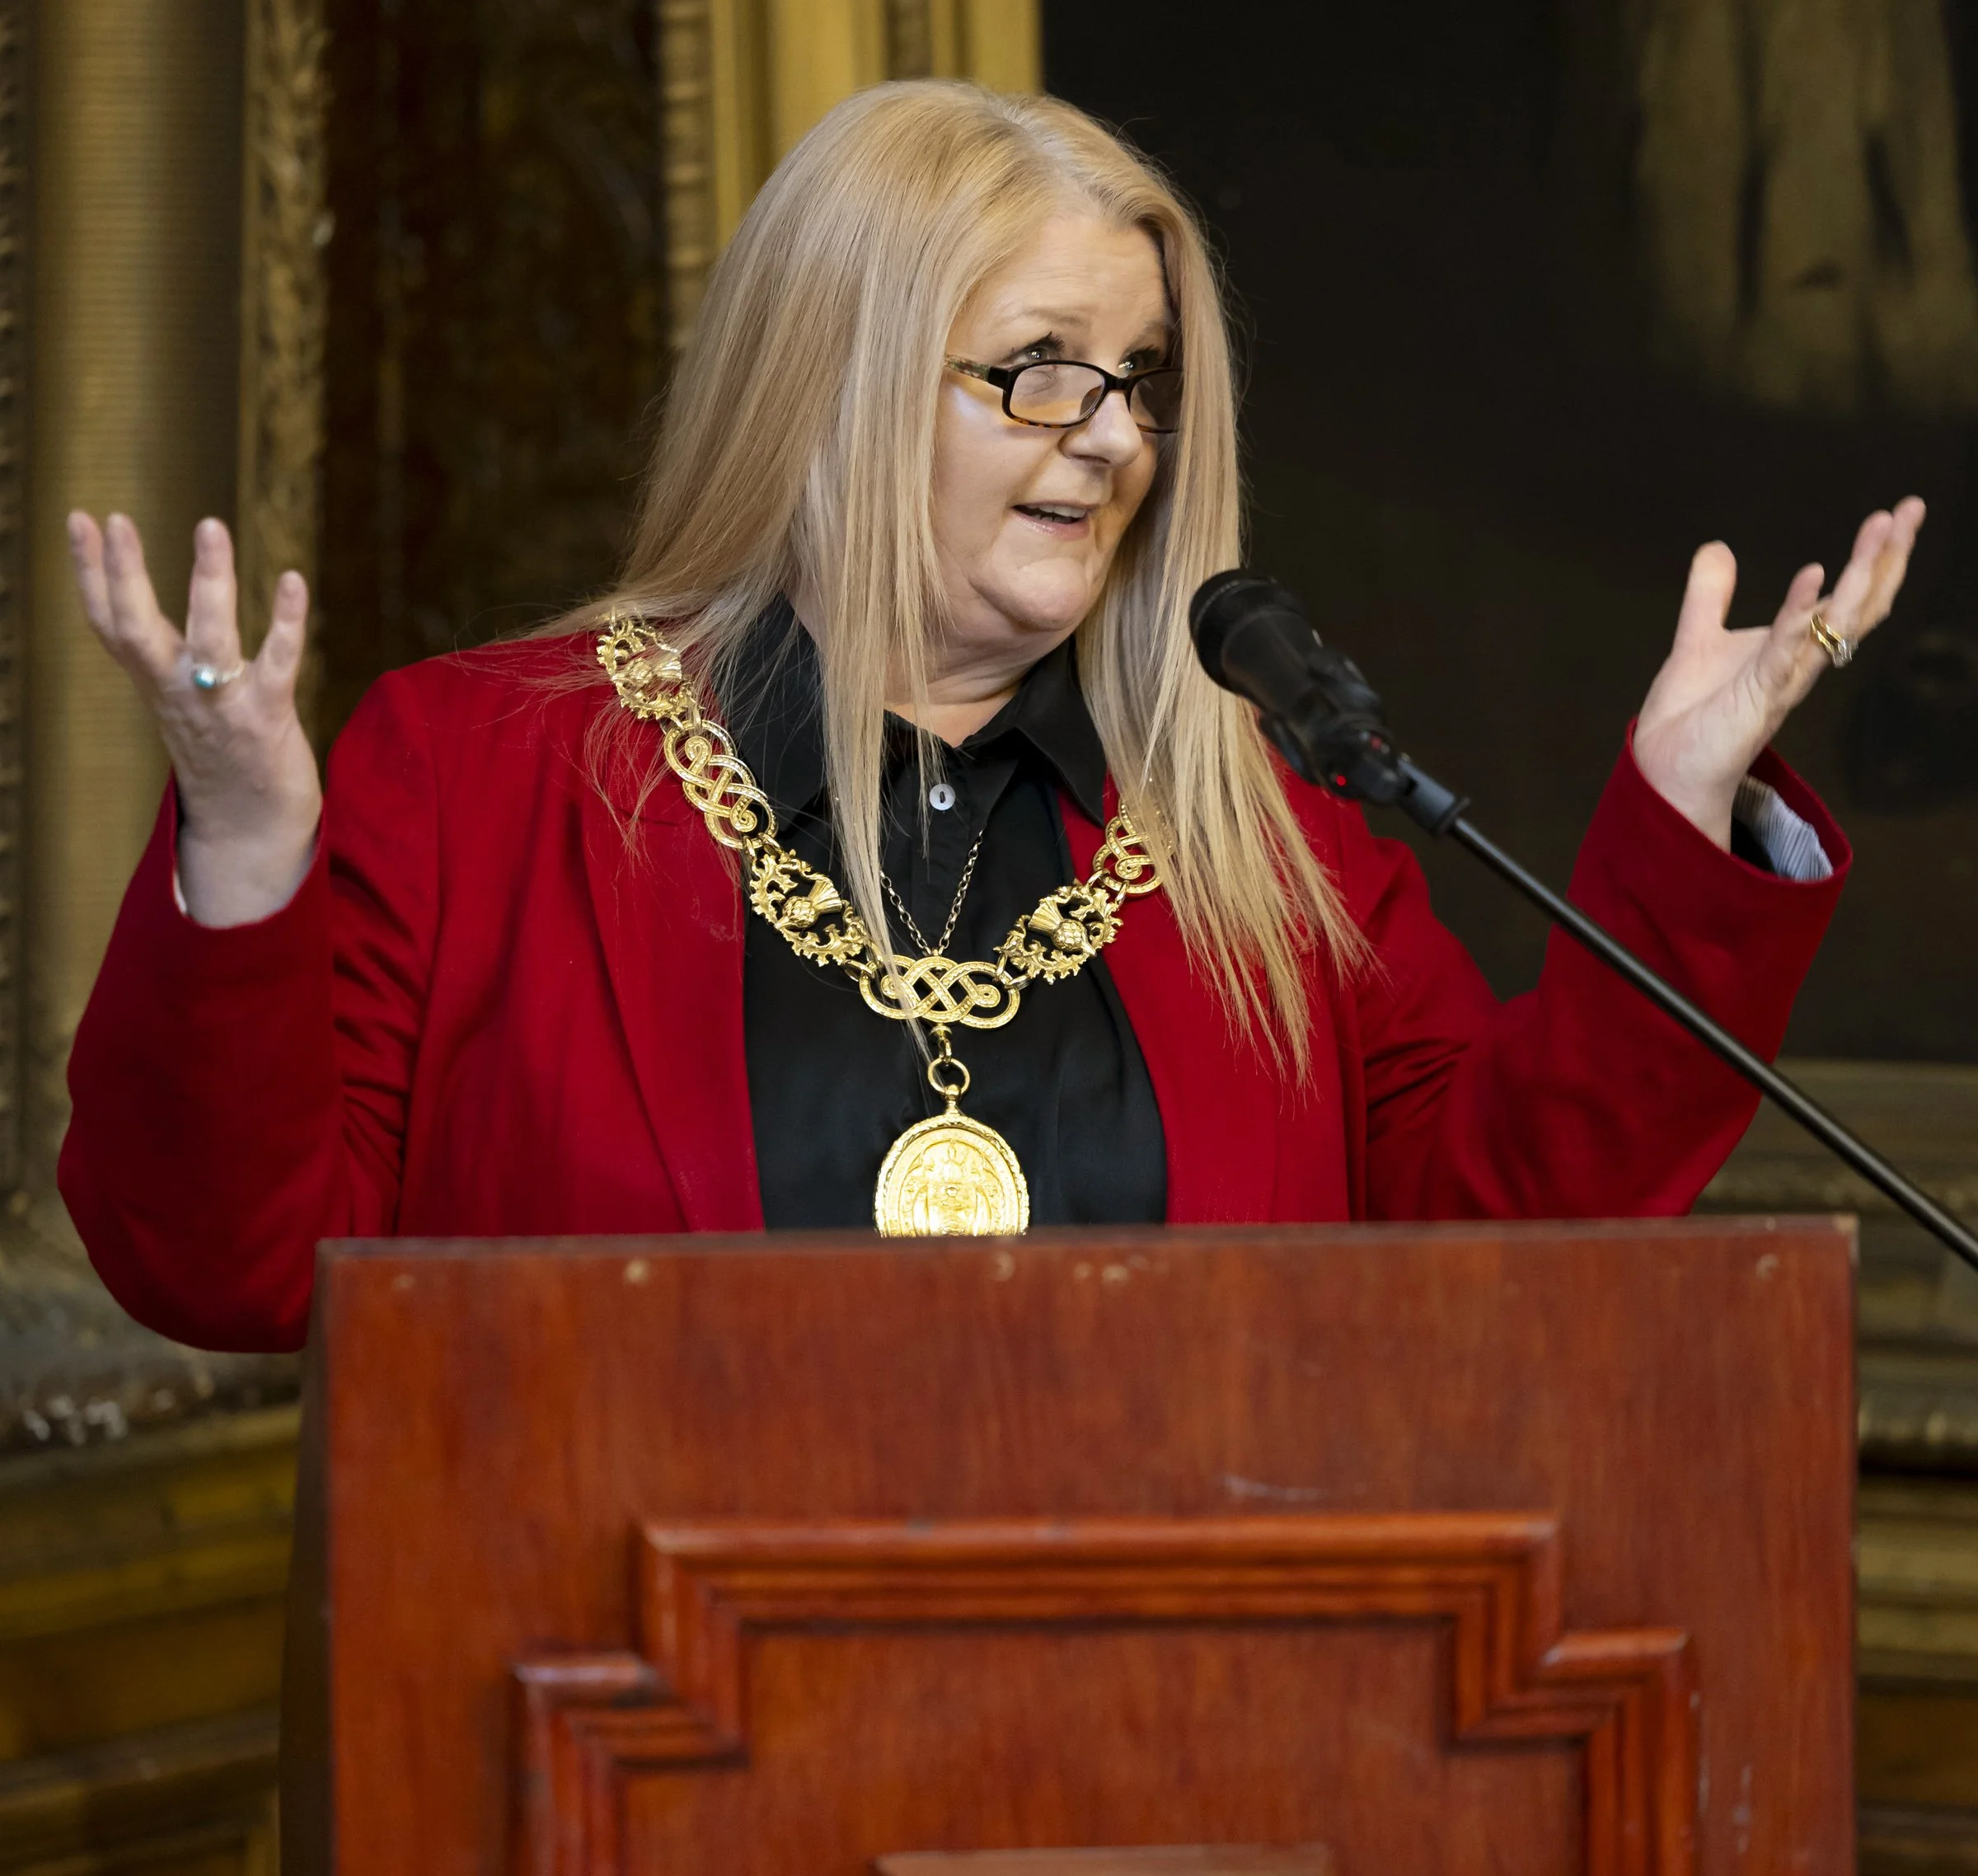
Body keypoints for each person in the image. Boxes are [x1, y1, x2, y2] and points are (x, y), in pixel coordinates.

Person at [61, 78, 1922, 1348]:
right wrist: (245, 844)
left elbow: (1504, 1231)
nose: (1112, 438)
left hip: (1165, 1761)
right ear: (835, 381)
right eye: (1041, 370)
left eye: (1140, 380)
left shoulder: (1262, 837)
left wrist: (1684, 814)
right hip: (621, 1750)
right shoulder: (480, 774)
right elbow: (226, 1268)